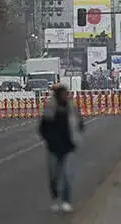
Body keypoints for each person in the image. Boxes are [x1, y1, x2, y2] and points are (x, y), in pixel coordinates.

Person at [39, 83, 84, 213]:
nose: (66, 96)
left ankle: (66, 200)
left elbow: (79, 123)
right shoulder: (50, 108)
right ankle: (55, 199)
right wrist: (49, 140)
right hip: (53, 148)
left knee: (68, 175)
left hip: (68, 147)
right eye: (63, 94)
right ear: (58, 95)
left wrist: (76, 137)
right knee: (54, 176)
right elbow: (43, 128)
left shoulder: (72, 108)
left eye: (67, 94)